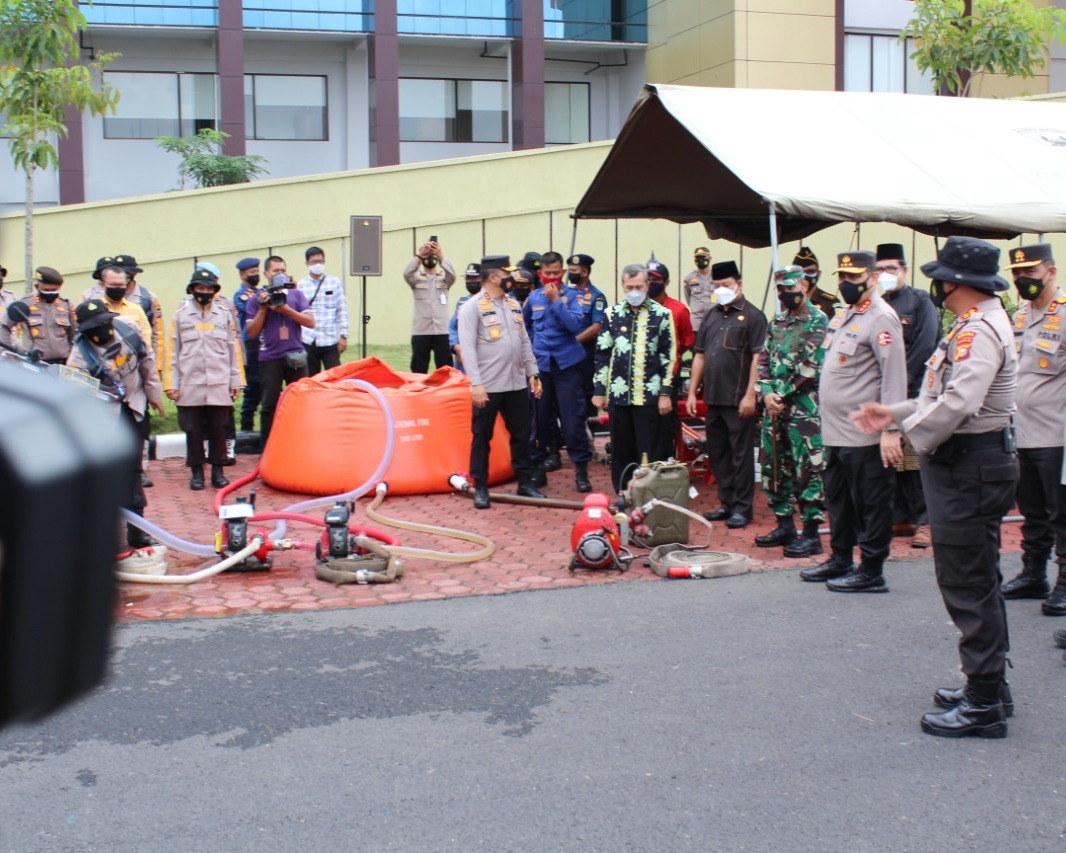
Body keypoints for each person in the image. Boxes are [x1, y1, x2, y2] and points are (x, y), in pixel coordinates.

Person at [851, 235, 1018, 739]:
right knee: (979, 578)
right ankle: (990, 686)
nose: (936, 284)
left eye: (941, 277)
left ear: (954, 283)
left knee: (967, 583)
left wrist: (911, 436)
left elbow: (961, 403)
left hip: (970, 465)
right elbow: (940, 393)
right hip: (972, 463)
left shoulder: (979, 330)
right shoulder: (972, 324)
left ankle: (984, 702)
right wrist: (894, 411)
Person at [803, 250, 906, 592]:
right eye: (842, 277)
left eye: (854, 278)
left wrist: (891, 430)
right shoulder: (845, 315)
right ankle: (841, 557)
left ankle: (872, 569)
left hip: (866, 433)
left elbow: (894, 376)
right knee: (840, 501)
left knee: (873, 502)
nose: (846, 283)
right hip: (835, 431)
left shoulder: (881, 318)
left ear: (872, 278)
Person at [998, 243, 1066, 614]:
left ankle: (1064, 583)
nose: (1023, 280)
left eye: (1031, 273)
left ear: (1051, 272)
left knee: (1062, 515)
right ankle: (1033, 573)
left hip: (1057, 435)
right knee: (1033, 511)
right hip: (1022, 432)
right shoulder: (1021, 316)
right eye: (1017, 274)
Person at [67, 298, 165, 549]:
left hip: (134, 406)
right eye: (94, 329)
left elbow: (148, 363)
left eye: (104, 324)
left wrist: (155, 397)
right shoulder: (79, 358)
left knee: (133, 471)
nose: (102, 332)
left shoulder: (129, 329)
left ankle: (137, 531)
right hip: (103, 417)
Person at [456, 255, 545, 509]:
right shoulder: (472, 307)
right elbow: (468, 349)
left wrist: (533, 373)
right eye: (507, 275)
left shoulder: (513, 303)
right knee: (482, 436)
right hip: (488, 385)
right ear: (495, 277)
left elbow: (524, 341)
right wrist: (476, 384)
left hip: (516, 382)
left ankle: (525, 482)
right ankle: (480, 486)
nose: (512, 279)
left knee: (521, 434)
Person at [686, 260, 768, 529]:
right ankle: (727, 502)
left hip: (738, 399)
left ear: (739, 285)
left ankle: (743, 509)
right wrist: (691, 393)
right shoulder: (711, 315)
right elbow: (699, 355)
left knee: (740, 455)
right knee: (718, 453)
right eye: (717, 286)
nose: (721, 290)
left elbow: (758, 358)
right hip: (713, 397)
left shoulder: (753, 316)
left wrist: (750, 395)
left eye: (727, 285)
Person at [753, 266, 828, 557]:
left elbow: (812, 366)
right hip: (775, 410)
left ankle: (811, 534)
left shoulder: (819, 320)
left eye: (791, 287)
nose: (786, 293)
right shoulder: (777, 322)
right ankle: (785, 525)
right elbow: (763, 359)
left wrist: (780, 395)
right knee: (774, 466)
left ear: (805, 286)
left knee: (808, 470)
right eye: (781, 289)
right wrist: (766, 392)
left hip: (804, 410)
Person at [592, 264, 677, 492]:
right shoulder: (611, 314)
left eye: (639, 286)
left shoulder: (662, 314)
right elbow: (602, 354)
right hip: (619, 396)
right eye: (629, 287)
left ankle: (652, 494)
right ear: (622, 286)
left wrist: (666, 394)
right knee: (621, 450)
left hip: (650, 396)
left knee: (650, 450)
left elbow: (669, 357)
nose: (634, 291)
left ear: (647, 285)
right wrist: (599, 391)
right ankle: (623, 494)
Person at [165, 269, 244, 490]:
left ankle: (218, 471)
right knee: (194, 431)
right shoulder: (180, 316)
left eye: (210, 289)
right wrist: (171, 383)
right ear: (192, 290)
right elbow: (172, 352)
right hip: (191, 383)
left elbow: (232, 349)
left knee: (219, 428)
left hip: (219, 381)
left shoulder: (223, 314)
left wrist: (236, 381)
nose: (205, 293)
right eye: (201, 289)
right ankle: (197, 472)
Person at [524, 254, 593, 492]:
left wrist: (556, 302)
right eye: (547, 272)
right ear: (540, 272)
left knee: (573, 420)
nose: (552, 277)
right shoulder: (532, 298)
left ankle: (581, 471)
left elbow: (575, 326)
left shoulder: (574, 297)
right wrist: (533, 348)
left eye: (556, 272)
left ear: (562, 272)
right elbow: (525, 328)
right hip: (541, 367)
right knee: (538, 420)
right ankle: (537, 468)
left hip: (567, 366)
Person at [244, 255, 315, 446]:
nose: (280, 274)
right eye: (275, 271)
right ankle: (267, 447)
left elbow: (310, 322)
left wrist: (287, 310)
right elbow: (251, 332)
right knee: (269, 405)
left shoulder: (297, 295)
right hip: (269, 358)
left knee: (300, 403)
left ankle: (301, 444)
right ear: (266, 274)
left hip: (296, 356)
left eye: (283, 270)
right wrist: (263, 308)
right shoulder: (256, 299)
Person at [646, 259, 695, 462]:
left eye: (655, 279)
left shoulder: (679, 310)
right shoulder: (638, 307)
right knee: (645, 426)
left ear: (666, 282)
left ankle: (667, 467)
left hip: (667, 377)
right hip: (643, 377)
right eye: (647, 279)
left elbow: (687, 341)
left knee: (666, 425)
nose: (650, 283)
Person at [0, 266, 76, 364]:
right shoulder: (25, 303)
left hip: (62, 364)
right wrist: (9, 355)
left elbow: (74, 334)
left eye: (54, 290)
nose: (51, 293)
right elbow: (4, 326)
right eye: (47, 290)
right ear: (37, 287)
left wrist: (71, 355)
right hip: (35, 364)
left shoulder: (66, 305)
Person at [404, 238, 456, 373]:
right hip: (421, 331)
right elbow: (407, 273)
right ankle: (419, 393)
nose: (430, 258)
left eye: (432, 255)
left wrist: (441, 256)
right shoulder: (416, 279)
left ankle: (447, 392)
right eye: (427, 256)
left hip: (442, 331)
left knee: (446, 368)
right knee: (418, 368)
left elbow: (453, 274)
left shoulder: (444, 279)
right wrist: (420, 255)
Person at [566, 253, 607, 420]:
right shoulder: (566, 294)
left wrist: (573, 342)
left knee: (585, 391)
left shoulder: (597, 296)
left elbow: (597, 327)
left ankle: (590, 430)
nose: (570, 274)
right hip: (565, 353)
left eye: (574, 270)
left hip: (584, 352)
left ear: (584, 272)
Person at [298, 245, 349, 374]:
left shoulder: (334, 282)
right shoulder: (300, 285)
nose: (318, 265)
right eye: (314, 262)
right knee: (311, 380)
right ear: (307, 264)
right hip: (308, 340)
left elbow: (342, 309)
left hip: (330, 340)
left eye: (320, 261)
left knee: (335, 378)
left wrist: (343, 335)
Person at [233, 257, 262, 432]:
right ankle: (246, 430)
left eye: (257, 272)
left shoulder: (258, 292)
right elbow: (255, 307)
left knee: (264, 388)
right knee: (252, 389)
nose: (255, 275)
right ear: (243, 274)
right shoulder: (241, 295)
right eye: (252, 273)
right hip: (250, 345)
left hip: (263, 345)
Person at [449, 262, 482, 372]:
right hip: (461, 361)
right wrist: (456, 347)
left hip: (482, 359)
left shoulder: (489, 301)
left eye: (474, 278)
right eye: (468, 278)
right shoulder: (461, 302)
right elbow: (452, 327)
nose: (471, 281)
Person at [793, 246, 838, 319]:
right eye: (799, 272)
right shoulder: (787, 301)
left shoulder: (831, 302)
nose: (804, 276)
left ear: (818, 274)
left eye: (810, 272)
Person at [682, 246, 714, 332]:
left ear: (710, 258)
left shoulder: (717, 277)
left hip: (714, 320)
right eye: (697, 258)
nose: (700, 260)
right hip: (696, 322)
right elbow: (688, 297)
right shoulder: (689, 278)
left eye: (703, 257)